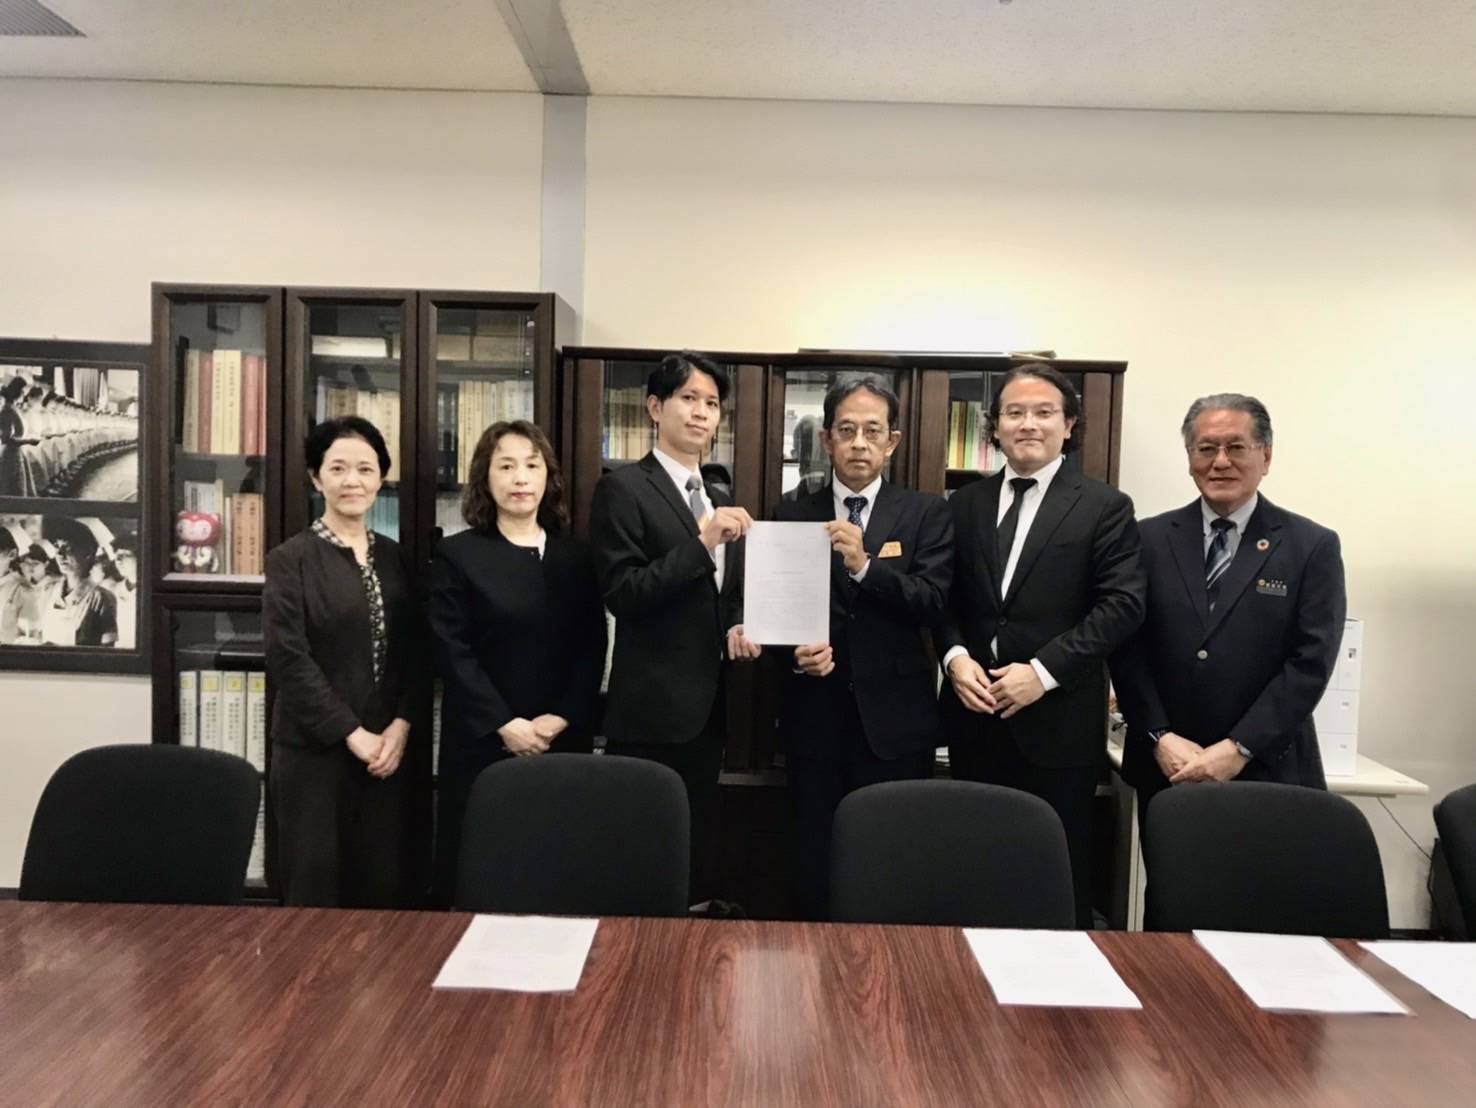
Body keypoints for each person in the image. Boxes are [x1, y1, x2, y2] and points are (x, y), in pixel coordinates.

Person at [736, 375, 953, 919]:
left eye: (872, 431)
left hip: (897, 727)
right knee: (814, 859)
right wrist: (795, 655)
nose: (859, 443)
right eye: (847, 430)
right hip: (815, 721)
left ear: (892, 442)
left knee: (891, 862)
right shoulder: (790, 513)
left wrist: (865, 566)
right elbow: (772, 613)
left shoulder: (926, 514)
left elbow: (932, 604)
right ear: (827, 439)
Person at [936, 364, 1145, 928]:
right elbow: (944, 601)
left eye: (1044, 412)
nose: (1028, 424)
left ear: (1069, 425)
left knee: (1055, 873)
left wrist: (1042, 672)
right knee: (976, 868)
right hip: (975, 718)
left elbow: (1121, 607)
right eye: (1014, 413)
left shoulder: (1105, 506)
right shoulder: (964, 504)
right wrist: (955, 659)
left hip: (1056, 724)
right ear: (995, 426)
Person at [1111, 393, 1346, 825]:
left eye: (1236, 447)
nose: (1220, 462)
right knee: (1174, 871)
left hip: (1268, 769)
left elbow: (1311, 661)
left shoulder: (1311, 546)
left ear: (1266, 456)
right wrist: (1159, 735)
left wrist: (1239, 747)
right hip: (1170, 766)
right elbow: (1127, 648)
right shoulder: (1147, 539)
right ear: (1189, 458)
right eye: (1206, 448)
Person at [589, 352, 752, 908]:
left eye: (712, 403)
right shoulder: (623, 489)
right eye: (688, 399)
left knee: (695, 854)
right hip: (651, 713)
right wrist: (703, 543)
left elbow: (724, 596)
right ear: (655, 408)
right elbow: (624, 594)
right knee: (643, 855)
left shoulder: (718, 497)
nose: (702, 412)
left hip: (710, 710)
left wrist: (737, 625)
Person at [427, 420, 606, 904]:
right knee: (483, 873)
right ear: (485, 478)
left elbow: (592, 645)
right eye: (506, 466)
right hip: (484, 742)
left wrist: (562, 716)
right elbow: (452, 650)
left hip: (561, 740)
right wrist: (505, 724)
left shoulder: (576, 557)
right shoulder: (457, 555)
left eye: (532, 465)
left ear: (549, 476)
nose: (520, 478)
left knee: (556, 870)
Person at [263, 415, 429, 907]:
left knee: (386, 894)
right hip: (315, 756)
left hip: (389, 756)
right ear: (316, 478)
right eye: (337, 468)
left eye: (365, 469)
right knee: (314, 897)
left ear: (381, 478)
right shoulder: (289, 560)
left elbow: (419, 651)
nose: (352, 480)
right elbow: (288, 658)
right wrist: (352, 734)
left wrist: (400, 727)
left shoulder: (398, 559)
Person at [42, 534, 118, 647]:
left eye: (68, 547)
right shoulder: (50, 591)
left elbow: (107, 651)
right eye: (56, 546)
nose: (60, 554)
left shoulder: (102, 598)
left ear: (87, 553)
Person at [0, 376, 40, 497]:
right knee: (13, 492)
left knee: (21, 491)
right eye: (22, 391)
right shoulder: (7, 410)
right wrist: (29, 440)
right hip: (10, 457)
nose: (24, 394)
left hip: (17, 453)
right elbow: (6, 439)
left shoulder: (14, 408)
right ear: (16, 391)